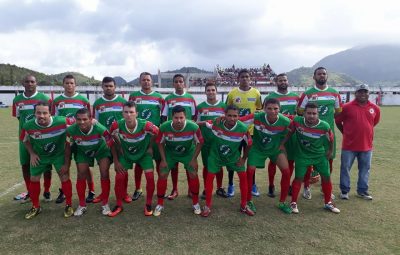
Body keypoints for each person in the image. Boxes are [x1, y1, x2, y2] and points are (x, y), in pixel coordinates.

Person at [20, 101, 74, 219]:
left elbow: (81, 122)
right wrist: (32, 154)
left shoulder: (63, 121)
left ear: (51, 113)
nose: (42, 116)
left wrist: (93, 121)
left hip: (58, 155)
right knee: (34, 178)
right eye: (38, 113)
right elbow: (24, 140)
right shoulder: (28, 126)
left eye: (45, 113)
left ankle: (69, 205)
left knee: (64, 176)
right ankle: (36, 206)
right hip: (40, 156)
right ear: (34, 113)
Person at [284, 102, 340, 214]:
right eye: (309, 113)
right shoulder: (297, 121)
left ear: (318, 114)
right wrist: (282, 144)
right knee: (298, 178)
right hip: (302, 155)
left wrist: (329, 151)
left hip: (319, 156)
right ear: (304, 113)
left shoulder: (324, 126)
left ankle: (328, 202)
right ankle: (293, 203)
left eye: (314, 113)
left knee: (326, 177)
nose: (311, 116)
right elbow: (289, 133)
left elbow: (331, 140)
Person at [200, 105, 254, 217]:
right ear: (224, 115)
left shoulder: (243, 128)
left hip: (233, 157)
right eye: (229, 115)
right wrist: (188, 124)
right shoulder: (217, 123)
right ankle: (207, 206)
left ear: (239, 116)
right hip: (215, 156)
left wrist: (244, 158)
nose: (232, 118)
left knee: (243, 177)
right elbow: (204, 123)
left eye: (235, 116)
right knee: (210, 177)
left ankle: (244, 205)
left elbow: (249, 144)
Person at [241, 98, 292, 214]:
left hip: (275, 149)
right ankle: (249, 200)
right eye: (269, 108)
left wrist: (282, 144)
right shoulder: (257, 116)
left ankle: (282, 202)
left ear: (280, 109)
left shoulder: (285, 121)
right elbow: (239, 121)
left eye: (275, 109)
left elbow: (293, 129)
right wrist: (222, 119)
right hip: (257, 149)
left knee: (286, 171)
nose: (272, 111)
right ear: (264, 109)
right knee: (249, 171)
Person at [297, 67, 342, 200]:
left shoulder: (334, 93)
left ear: (327, 76)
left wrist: (325, 121)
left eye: (324, 74)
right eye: (319, 74)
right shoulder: (308, 93)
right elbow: (300, 111)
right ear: (314, 77)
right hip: (309, 133)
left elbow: (338, 111)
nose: (321, 76)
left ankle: (324, 187)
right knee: (308, 161)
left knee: (329, 160)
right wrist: (312, 119)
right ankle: (306, 187)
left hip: (327, 133)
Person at [109, 101, 159, 217]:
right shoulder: (116, 125)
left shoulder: (146, 125)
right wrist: (119, 146)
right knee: (119, 177)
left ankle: (148, 204)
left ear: (137, 113)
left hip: (143, 154)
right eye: (126, 112)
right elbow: (112, 136)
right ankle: (118, 204)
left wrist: (150, 147)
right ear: (122, 114)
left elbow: (157, 132)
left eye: (131, 112)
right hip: (126, 154)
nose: (129, 115)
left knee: (150, 177)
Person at [52, 74, 95, 204]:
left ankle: (91, 190)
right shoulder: (57, 101)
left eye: (72, 83)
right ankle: (64, 191)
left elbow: (89, 119)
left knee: (83, 164)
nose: (69, 85)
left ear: (75, 85)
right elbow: (54, 119)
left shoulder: (83, 100)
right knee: (65, 165)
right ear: (63, 85)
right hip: (63, 138)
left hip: (81, 137)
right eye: (67, 83)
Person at [154, 105, 203, 216]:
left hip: (188, 153)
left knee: (193, 173)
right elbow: (160, 143)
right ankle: (160, 204)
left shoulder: (193, 127)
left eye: (181, 117)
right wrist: (163, 159)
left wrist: (194, 159)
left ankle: (195, 203)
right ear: (172, 117)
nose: (179, 120)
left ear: (185, 117)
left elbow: (200, 142)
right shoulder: (164, 127)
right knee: (162, 173)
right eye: (176, 118)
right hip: (170, 153)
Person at [335, 84, 380, 200]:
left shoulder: (375, 108)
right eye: (360, 92)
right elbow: (338, 121)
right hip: (349, 146)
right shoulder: (346, 107)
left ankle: (362, 191)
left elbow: (374, 122)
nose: (363, 94)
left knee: (365, 169)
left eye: (365, 92)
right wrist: (345, 132)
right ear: (356, 93)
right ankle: (344, 191)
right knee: (345, 168)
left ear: (368, 93)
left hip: (367, 146)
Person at [12, 75, 52, 204]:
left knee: (46, 165)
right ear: (23, 83)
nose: (29, 84)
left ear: (36, 83)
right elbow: (19, 117)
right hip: (24, 137)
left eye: (32, 81)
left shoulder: (45, 98)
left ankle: (47, 191)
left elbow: (49, 117)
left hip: (42, 138)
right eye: (27, 81)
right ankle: (30, 191)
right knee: (25, 164)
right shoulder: (17, 99)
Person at [65, 108, 113, 217]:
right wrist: (67, 158)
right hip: (83, 151)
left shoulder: (99, 128)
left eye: (85, 119)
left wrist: (112, 154)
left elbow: (110, 140)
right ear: (75, 120)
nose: (82, 122)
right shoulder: (71, 129)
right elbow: (66, 141)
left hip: (100, 150)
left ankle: (105, 203)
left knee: (104, 172)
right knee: (81, 174)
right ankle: (82, 204)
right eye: (79, 119)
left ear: (91, 119)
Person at [225, 69, 262, 197]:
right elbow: (227, 110)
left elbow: (259, 109)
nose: (245, 79)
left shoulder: (256, 93)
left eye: (247, 77)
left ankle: (252, 184)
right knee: (232, 158)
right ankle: (230, 184)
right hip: (234, 133)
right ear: (238, 79)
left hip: (250, 132)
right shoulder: (232, 94)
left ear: (250, 78)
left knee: (251, 160)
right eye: (242, 77)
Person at [93, 77, 130, 203]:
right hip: (104, 143)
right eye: (106, 86)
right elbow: (95, 123)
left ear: (115, 87)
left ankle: (124, 193)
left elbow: (127, 120)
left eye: (111, 86)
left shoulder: (122, 102)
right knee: (103, 171)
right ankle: (104, 194)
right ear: (102, 87)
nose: (108, 88)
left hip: (120, 142)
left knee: (122, 170)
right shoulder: (97, 104)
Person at [128, 72, 164, 201]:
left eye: (148, 80)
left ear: (152, 81)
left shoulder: (159, 97)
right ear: (140, 81)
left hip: (155, 135)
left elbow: (163, 116)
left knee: (159, 161)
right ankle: (138, 188)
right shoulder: (133, 96)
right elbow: (130, 113)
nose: (146, 82)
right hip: (140, 136)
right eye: (144, 80)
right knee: (139, 163)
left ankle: (161, 187)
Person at [161, 74, 197, 200]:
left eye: (180, 81)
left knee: (189, 164)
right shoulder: (168, 99)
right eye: (176, 82)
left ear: (184, 83)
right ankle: (174, 189)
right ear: (173, 84)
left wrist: (191, 134)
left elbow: (193, 118)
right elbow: (164, 117)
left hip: (186, 136)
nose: (178, 83)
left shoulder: (190, 98)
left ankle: (190, 189)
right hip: (172, 136)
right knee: (174, 164)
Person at [263, 73, 299, 197]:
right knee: (273, 160)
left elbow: (298, 114)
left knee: (291, 160)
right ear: (276, 82)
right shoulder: (270, 97)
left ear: (287, 81)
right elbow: (265, 114)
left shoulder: (295, 96)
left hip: (291, 133)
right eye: (280, 80)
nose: (283, 82)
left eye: (284, 80)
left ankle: (287, 184)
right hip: (276, 134)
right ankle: (271, 185)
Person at [196, 81, 228, 199]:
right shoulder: (200, 107)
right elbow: (195, 123)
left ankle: (219, 188)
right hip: (206, 141)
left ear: (216, 91)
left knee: (219, 165)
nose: (211, 92)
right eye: (208, 90)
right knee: (206, 165)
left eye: (213, 90)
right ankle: (206, 188)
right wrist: (205, 123)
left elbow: (228, 122)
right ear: (205, 92)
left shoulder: (223, 106)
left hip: (219, 141)